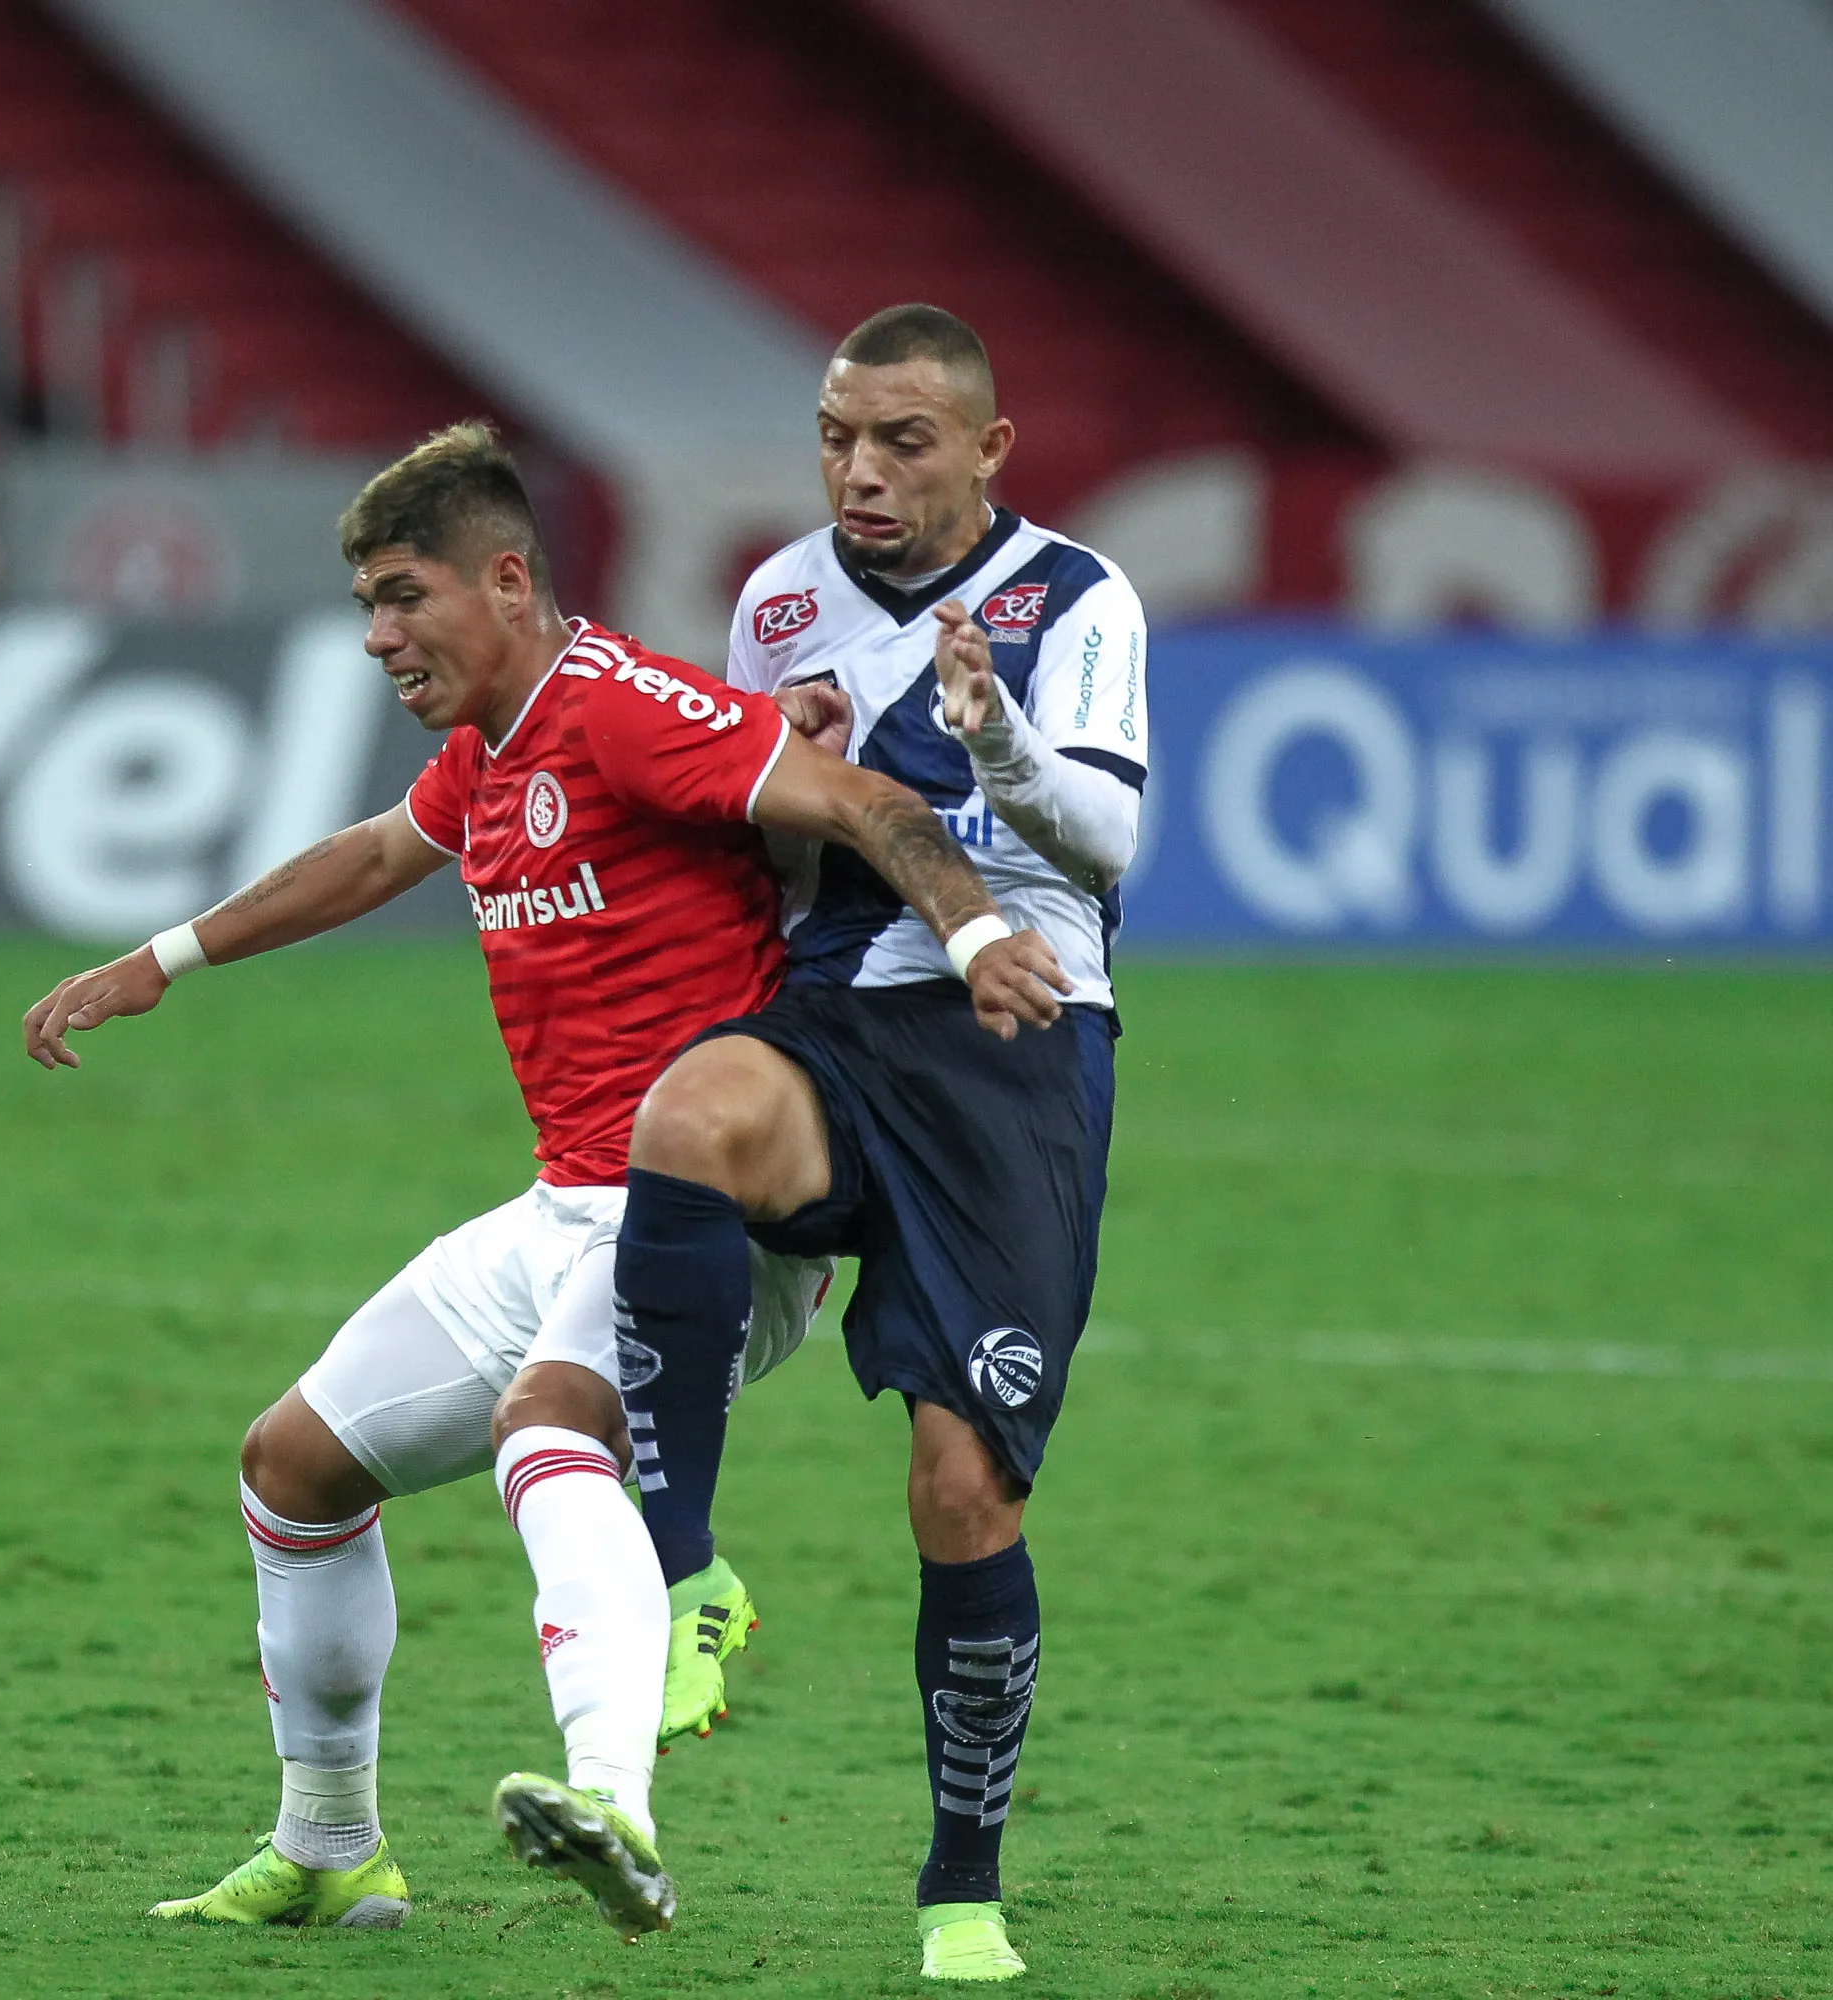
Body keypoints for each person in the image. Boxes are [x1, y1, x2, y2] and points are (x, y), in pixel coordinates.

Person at [22, 420, 1068, 1941]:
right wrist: (162, 960)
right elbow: (378, 855)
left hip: (708, 1225)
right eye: (368, 609)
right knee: (292, 1469)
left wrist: (977, 938)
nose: (380, 637)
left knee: (546, 1425)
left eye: (405, 597)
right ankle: (330, 1846)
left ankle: (617, 1810)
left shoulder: (626, 708)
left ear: (508, 581)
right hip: (562, 1207)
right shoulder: (489, 752)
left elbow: (859, 807)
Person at [612, 304, 1148, 1983]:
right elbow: (762, 844)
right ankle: (683, 1575)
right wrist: (783, 790)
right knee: (687, 1119)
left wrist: (995, 738)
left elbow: (1114, 843)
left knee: (959, 1491)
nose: (861, 469)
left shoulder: (1076, 597)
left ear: (988, 451)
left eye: (901, 440)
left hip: (1013, 1050)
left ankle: (960, 1888)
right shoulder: (779, 599)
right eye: (839, 435)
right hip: (836, 1020)